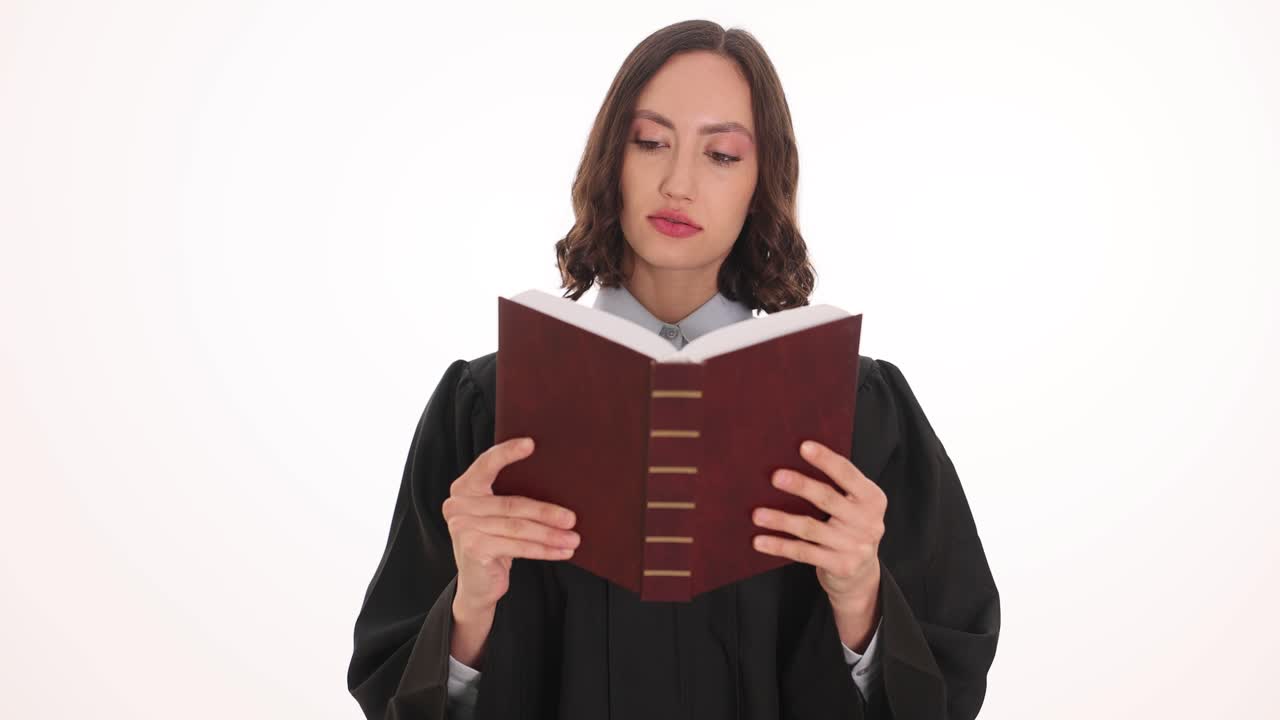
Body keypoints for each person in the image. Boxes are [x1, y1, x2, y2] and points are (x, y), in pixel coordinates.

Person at [347, 19, 1000, 720]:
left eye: (721, 154)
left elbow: (945, 690)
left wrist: (862, 602)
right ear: (610, 162)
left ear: (761, 181)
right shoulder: (484, 410)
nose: (678, 181)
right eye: (651, 142)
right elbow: (393, 691)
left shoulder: (860, 416)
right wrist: (471, 604)